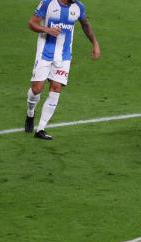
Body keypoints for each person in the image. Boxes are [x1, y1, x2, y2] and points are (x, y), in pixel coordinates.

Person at [24, 0, 101, 140]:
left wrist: (95, 43)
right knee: (36, 89)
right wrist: (46, 29)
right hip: (44, 53)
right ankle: (30, 113)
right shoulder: (48, 3)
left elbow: (86, 25)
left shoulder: (78, 6)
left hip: (64, 56)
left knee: (56, 88)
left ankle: (41, 129)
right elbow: (31, 23)